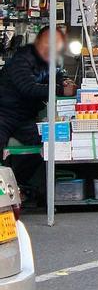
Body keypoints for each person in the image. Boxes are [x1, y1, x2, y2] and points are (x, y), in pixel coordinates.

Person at [0, 29, 75, 193]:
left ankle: (17, 185)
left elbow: (57, 74)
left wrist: (63, 82)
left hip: (25, 118)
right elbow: (28, 88)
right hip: (5, 113)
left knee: (46, 144)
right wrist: (60, 90)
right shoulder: (22, 60)